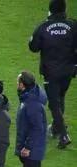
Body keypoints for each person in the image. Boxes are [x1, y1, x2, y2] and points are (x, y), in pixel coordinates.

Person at [29, 0, 76, 149]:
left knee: (54, 104)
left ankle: (64, 135)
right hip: (68, 71)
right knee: (60, 97)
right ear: (64, 9)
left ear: (50, 10)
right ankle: (56, 128)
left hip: (51, 72)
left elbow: (33, 47)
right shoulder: (73, 25)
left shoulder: (44, 27)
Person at [14, 71, 48, 167]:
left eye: (18, 82)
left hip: (33, 150)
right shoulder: (29, 97)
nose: (16, 84)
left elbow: (37, 128)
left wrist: (27, 147)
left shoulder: (32, 103)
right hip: (32, 147)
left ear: (22, 84)